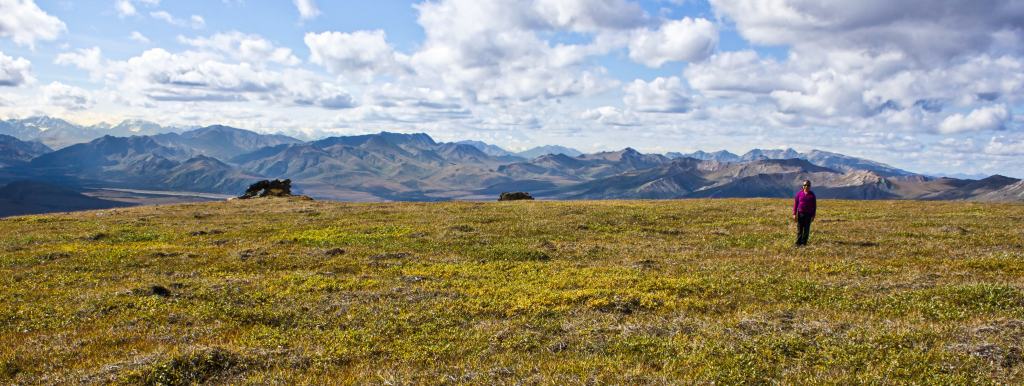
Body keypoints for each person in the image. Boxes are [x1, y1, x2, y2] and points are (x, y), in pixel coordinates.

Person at [793, 180, 816, 246]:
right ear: (803, 186)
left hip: (808, 215)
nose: (806, 186)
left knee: (806, 230)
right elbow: (796, 204)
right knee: (799, 229)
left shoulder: (812, 195)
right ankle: (798, 243)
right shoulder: (799, 194)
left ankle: (804, 243)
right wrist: (794, 214)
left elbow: (814, 206)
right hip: (800, 214)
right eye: (805, 185)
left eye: (808, 185)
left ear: (810, 186)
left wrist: (813, 215)